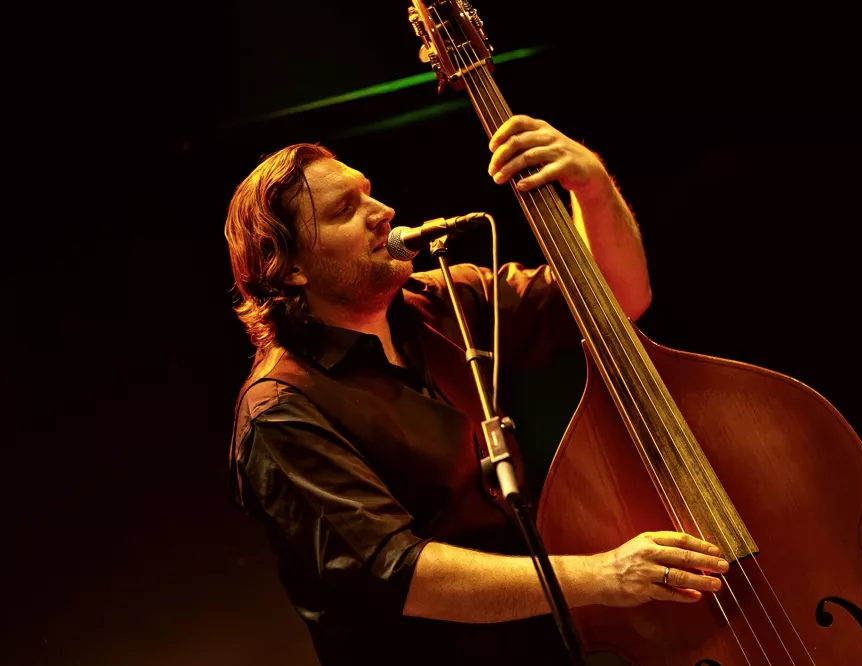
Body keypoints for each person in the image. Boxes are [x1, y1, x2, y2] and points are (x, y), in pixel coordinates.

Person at [225, 115, 730, 664]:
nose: (383, 212)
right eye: (345, 210)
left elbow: (615, 299)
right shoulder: (280, 411)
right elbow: (401, 572)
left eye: (368, 193)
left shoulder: (444, 299)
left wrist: (590, 183)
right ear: (290, 268)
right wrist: (605, 575)